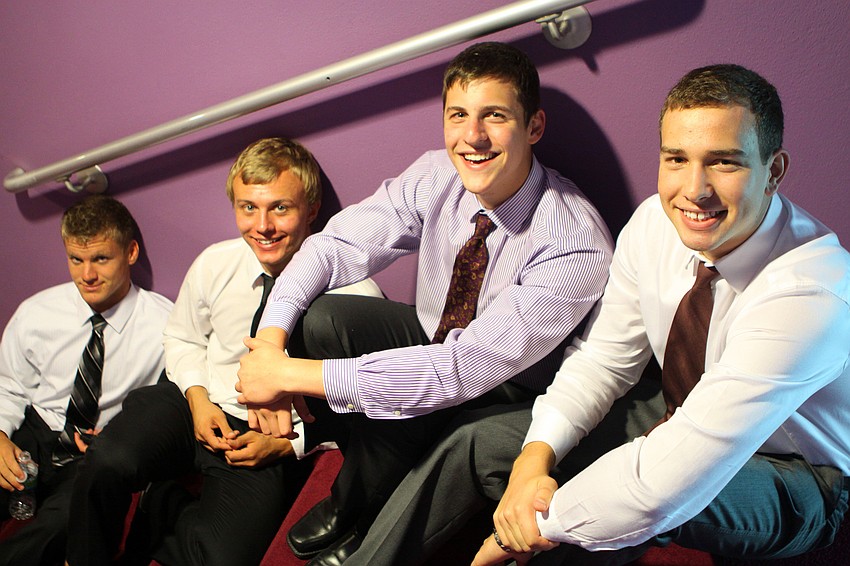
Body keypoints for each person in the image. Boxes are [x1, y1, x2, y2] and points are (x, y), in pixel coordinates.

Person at [356, 63, 850, 566]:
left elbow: (662, 485)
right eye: (676, 159)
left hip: (797, 469)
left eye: (724, 163)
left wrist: (524, 530)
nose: (694, 189)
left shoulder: (809, 292)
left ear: (775, 170)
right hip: (678, 405)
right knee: (479, 443)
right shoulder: (654, 223)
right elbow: (603, 359)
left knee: (628, 507)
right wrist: (535, 459)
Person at [235, 42, 614, 565]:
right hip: (436, 335)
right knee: (322, 319)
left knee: (420, 394)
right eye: (458, 115)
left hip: (511, 385)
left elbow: (458, 370)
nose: (473, 136)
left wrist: (288, 377)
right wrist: (270, 349)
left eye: (495, 116)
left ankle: (367, 516)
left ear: (534, 127)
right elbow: (333, 245)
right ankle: (356, 497)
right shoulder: (437, 175)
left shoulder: (573, 240)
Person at [64, 138, 382, 566]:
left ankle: (165, 506)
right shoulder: (216, 262)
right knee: (108, 461)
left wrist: (290, 447)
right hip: (194, 400)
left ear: (311, 207)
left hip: (266, 436)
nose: (262, 226)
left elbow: (372, 404)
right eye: (248, 207)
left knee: (227, 558)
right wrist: (197, 400)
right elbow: (183, 339)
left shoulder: (356, 294)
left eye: (280, 208)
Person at [0, 195, 172, 566]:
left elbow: (164, 409)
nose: (87, 275)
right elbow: (9, 385)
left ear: (130, 252)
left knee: (59, 527)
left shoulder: (164, 325)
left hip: (91, 452)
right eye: (76, 260)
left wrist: (119, 434)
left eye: (100, 259)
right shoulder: (36, 312)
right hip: (34, 430)